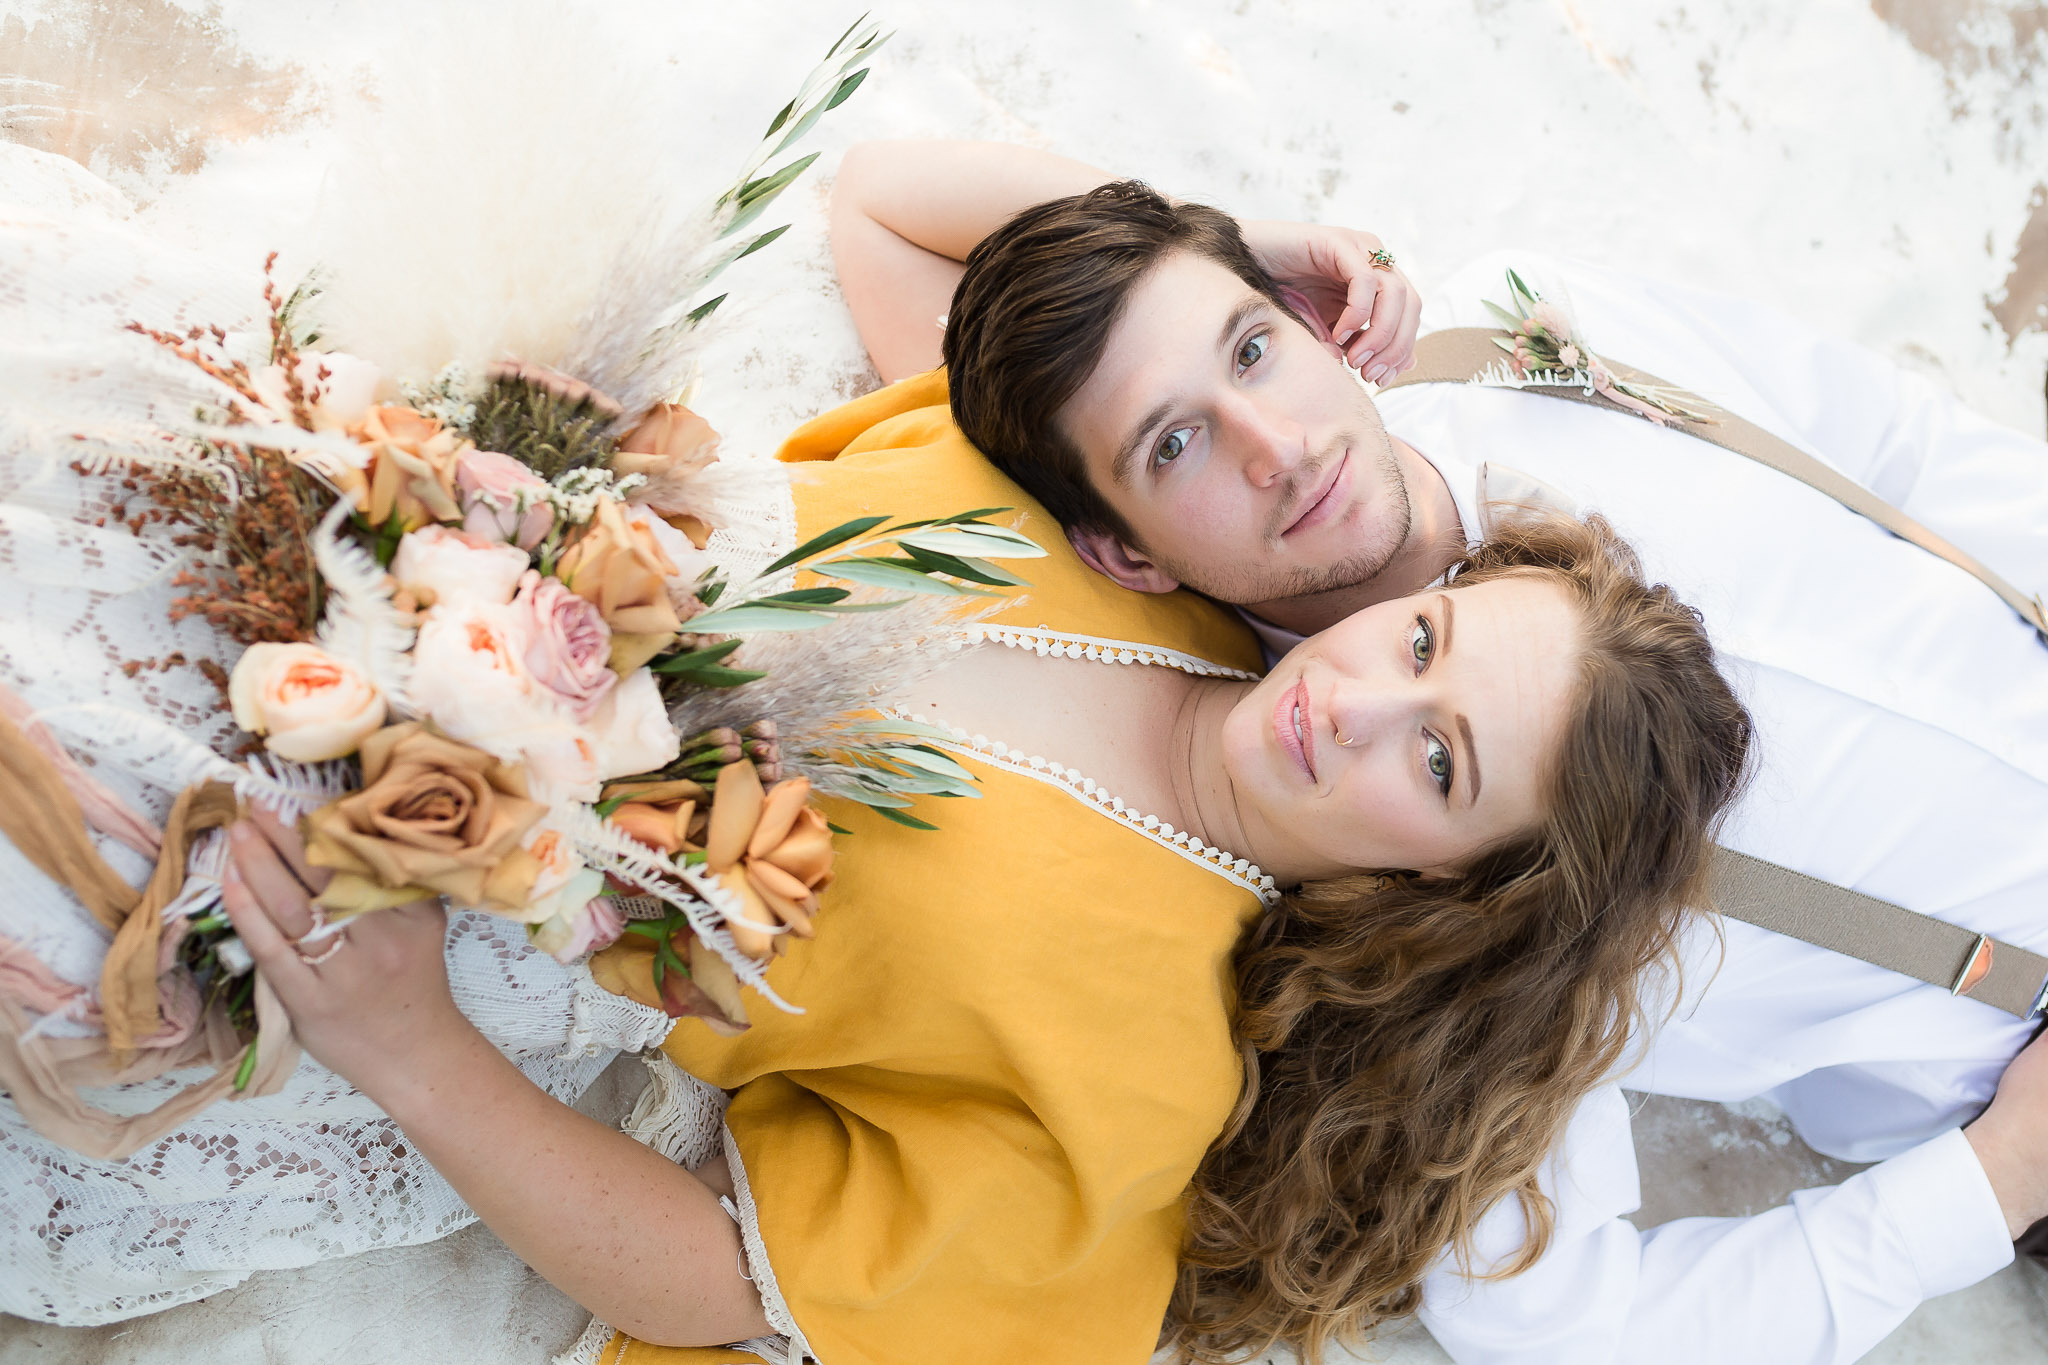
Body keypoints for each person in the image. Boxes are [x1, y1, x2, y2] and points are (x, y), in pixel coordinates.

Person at [827, 139, 2048, 1364]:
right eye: (1173, 446)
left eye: (1251, 347)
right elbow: (1564, 1324)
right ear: (1124, 553)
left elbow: (1893, 451)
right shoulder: (1404, 853)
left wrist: (1235, 239)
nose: (1279, 446)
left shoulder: (1512, 330)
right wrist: (1994, 1181)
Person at [215, 407, 1749, 1365]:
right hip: (335, 549)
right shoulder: (1141, 550)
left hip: (348, 922)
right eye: (1423, 645)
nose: (1357, 703)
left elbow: (722, 1280)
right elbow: (913, 243)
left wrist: (410, 1048)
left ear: (1449, 882)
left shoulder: (1146, 1077)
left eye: (1439, 765)